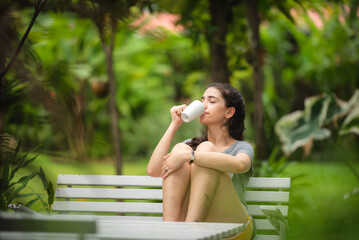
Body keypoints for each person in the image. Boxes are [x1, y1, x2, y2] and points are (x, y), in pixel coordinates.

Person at [147, 82, 255, 240]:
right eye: (202, 100)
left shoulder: (241, 147)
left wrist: (191, 157)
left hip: (234, 226)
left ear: (229, 112)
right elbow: (154, 170)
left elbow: (241, 165)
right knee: (180, 148)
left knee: (204, 151)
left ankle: (190, 231)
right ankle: (169, 231)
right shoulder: (189, 146)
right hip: (199, 226)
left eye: (211, 101)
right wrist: (174, 124)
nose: (204, 105)